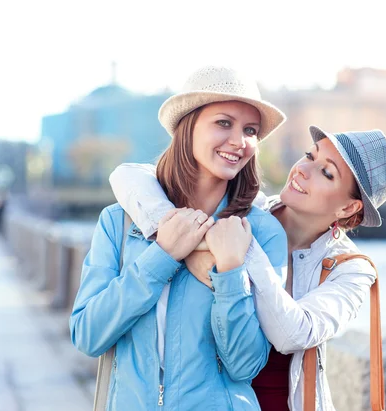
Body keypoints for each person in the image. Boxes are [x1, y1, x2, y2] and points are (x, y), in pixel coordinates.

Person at [109, 125, 386, 410]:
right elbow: (127, 175)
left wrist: (243, 250)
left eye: (326, 173)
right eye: (310, 156)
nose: (303, 169)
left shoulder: (351, 270)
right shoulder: (248, 208)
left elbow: (292, 334)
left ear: (349, 208)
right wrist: (175, 231)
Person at [69, 65, 288, 410]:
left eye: (250, 130)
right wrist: (163, 255)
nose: (239, 141)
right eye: (223, 123)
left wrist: (230, 271)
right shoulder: (119, 222)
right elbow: (88, 334)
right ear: (188, 126)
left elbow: (245, 364)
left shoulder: (260, 232)